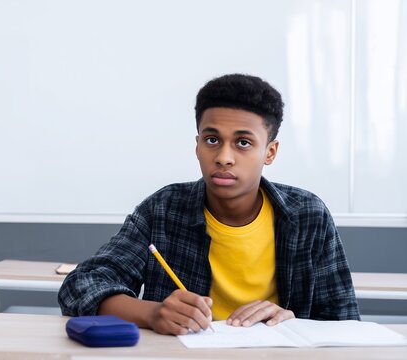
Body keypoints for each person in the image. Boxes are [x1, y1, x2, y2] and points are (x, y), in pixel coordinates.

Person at [58, 73, 360, 335]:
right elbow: (81, 285)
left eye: (243, 143)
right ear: (197, 145)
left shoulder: (307, 215)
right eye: (212, 139)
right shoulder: (163, 209)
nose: (224, 157)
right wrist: (152, 313)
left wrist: (294, 322)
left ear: (270, 152)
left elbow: (344, 322)